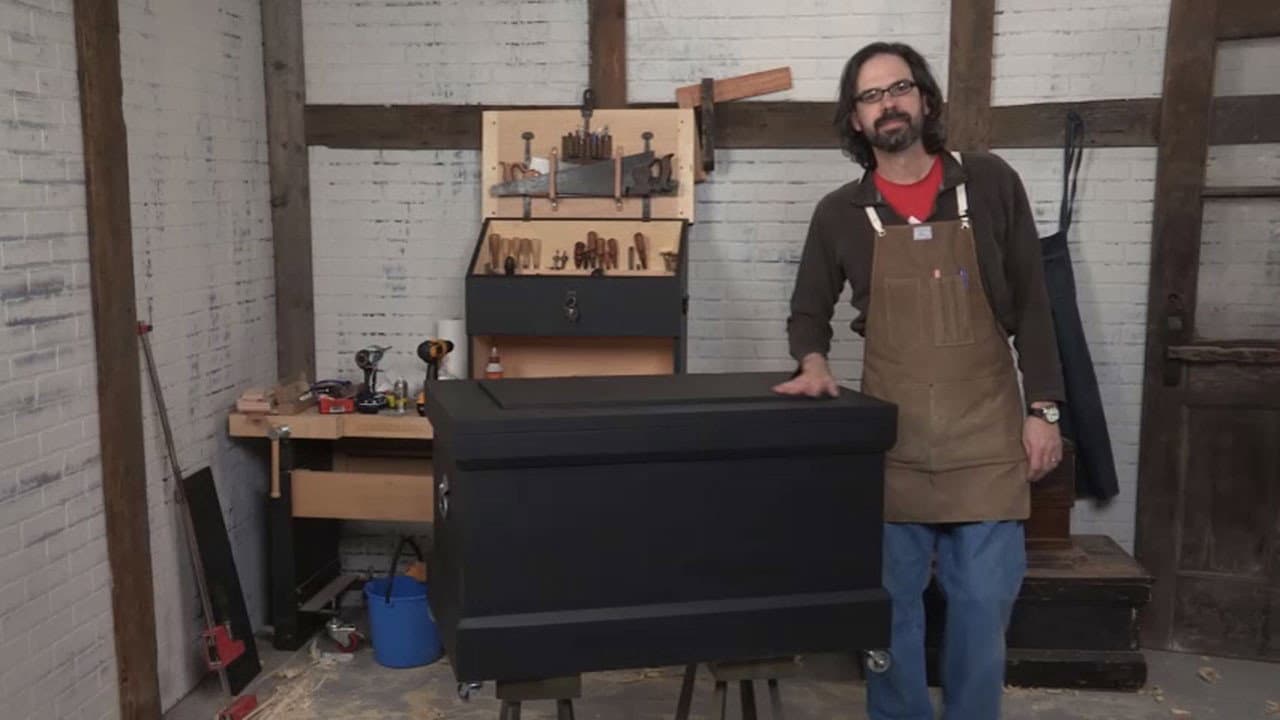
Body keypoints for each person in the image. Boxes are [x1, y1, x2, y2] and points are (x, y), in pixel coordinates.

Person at [773, 42, 1066, 720]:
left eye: (898, 88)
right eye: (871, 96)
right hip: (893, 442)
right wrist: (812, 363)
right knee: (890, 616)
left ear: (925, 100)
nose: (888, 104)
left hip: (987, 437)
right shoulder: (840, 213)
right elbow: (807, 312)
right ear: (855, 120)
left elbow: (1033, 306)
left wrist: (1044, 410)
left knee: (981, 607)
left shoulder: (989, 183)